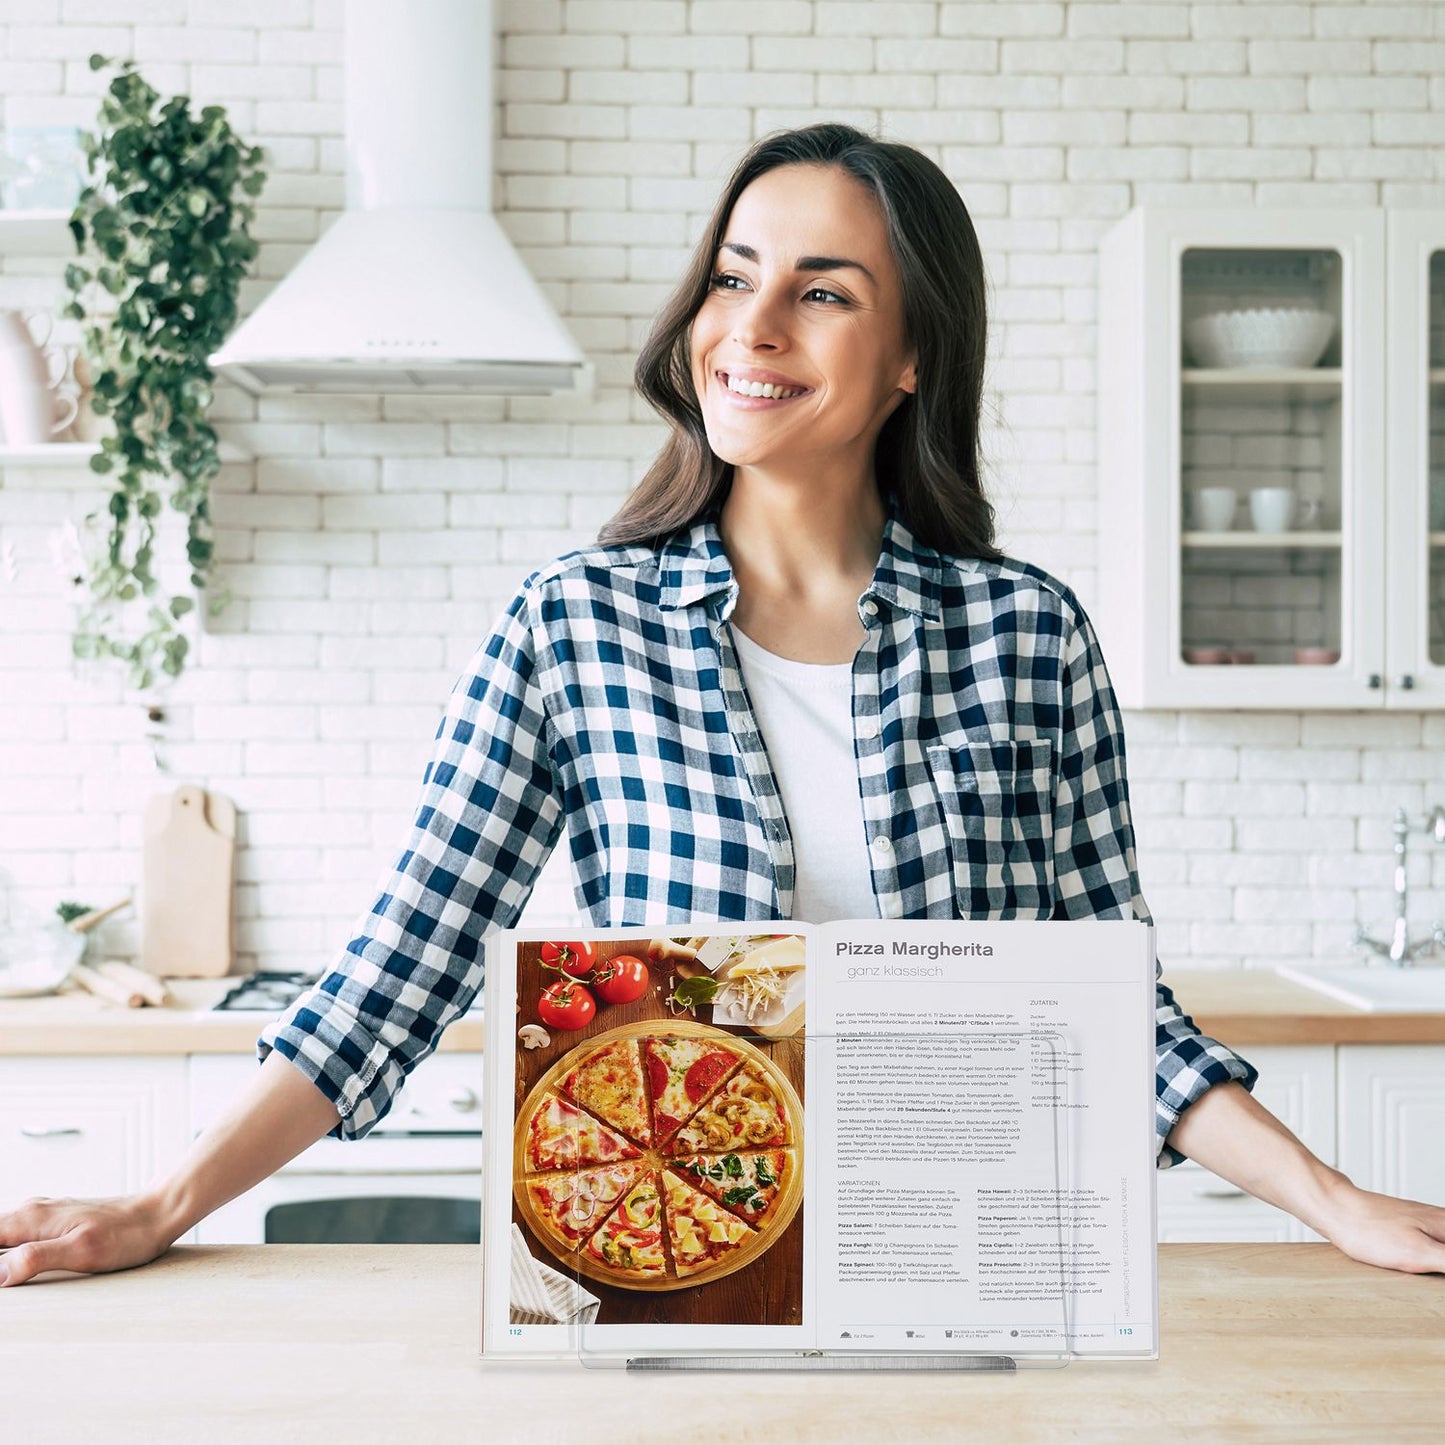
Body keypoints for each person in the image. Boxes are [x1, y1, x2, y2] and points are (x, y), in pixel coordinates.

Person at [3, 123, 1442, 1287]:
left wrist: (1333, 1201)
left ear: (911, 355)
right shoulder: (574, 624)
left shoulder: (1028, 634)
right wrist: (159, 1202)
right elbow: (400, 969)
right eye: (732, 275)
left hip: (966, 1261)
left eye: (821, 290)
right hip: (672, 1259)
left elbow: (1112, 1005)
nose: (751, 325)